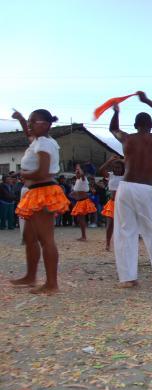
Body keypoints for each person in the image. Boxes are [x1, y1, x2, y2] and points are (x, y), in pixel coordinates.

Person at [109, 91, 152, 287]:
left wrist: (116, 111)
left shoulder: (127, 139)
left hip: (126, 187)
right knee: (150, 229)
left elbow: (113, 129)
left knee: (126, 231)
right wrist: (147, 101)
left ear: (135, 125)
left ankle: (129, 278)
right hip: (145, 188)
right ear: (151, 125)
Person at [10, 109, 70, 294]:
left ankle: (52, 284)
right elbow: (29, 135)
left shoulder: (44, 143)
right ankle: (31, 276)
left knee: (46, 239)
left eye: (31, 122)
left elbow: (44, 172)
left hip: (43, 192)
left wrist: (23, 173)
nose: (28, 125)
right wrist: (21, 119)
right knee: (30, 237)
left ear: (44, 125)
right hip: (36, 192)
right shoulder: (38, 141)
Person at [99, 155, 124, 251]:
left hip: (122, 203)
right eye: (115, 167)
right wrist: (109, 161)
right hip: (112, 203)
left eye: (119, 167)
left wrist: (122, 161)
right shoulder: (111, 175)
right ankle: (108, 243)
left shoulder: (126, 176)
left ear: (123, 168)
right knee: (109, 225)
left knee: (122, 225)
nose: (117, 169)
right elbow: (101, 170)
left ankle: (121, 244)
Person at [70, 166, 97, 241]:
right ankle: (83, 235)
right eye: (76, 172)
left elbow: (82, 175)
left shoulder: (83, 179)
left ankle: (84, 236)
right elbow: (76, 191)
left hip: (83, 201)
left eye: (78, 172)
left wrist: (79, 168)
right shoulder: (78, 180)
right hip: (79, 202)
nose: (77, 173)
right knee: (80, 219)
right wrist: (73, 194)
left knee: (81, 219)